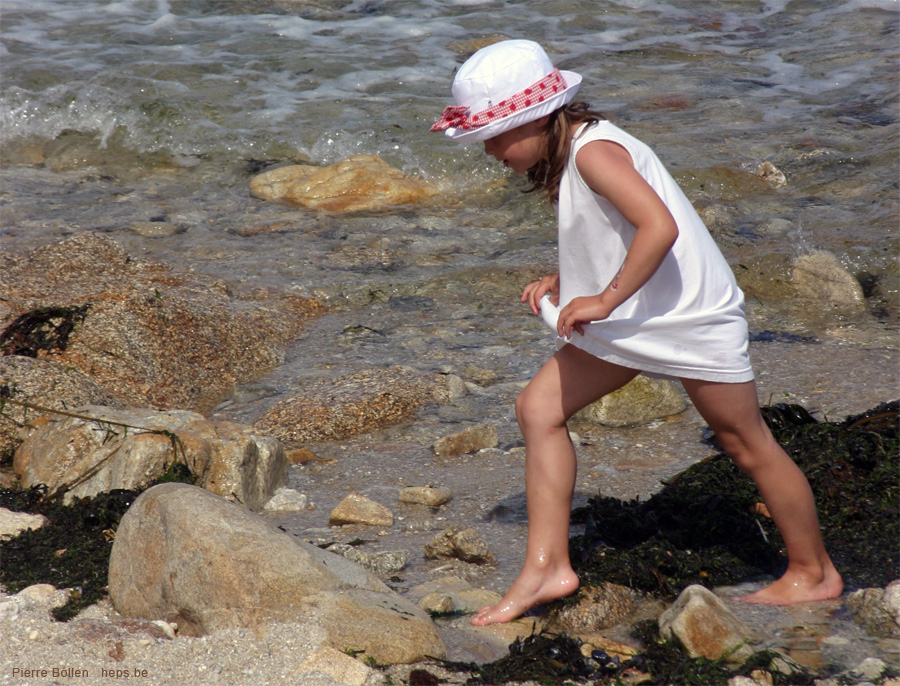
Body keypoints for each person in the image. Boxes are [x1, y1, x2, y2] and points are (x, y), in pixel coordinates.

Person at [431, 39, 843, 627]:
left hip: (687, 315)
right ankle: (547, 567)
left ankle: (814, 572)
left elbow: (659, 226)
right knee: (537, 408)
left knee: (746, 442)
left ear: (538, 118)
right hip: (636, 313)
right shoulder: (574, 148)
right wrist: (570, 277)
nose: (490, 149)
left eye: (495, 135)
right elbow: (613, 233)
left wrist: (603, 297)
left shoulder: (595, 151)